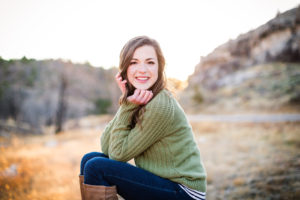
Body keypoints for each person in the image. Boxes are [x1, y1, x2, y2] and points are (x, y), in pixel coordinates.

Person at [79, 36, 207, 200]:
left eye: (150, 62)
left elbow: (118, 155)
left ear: (160, 67)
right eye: (134, 63)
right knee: (89, 159)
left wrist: (127, 106)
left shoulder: (159, 105)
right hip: (165, 183)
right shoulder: (141, 98)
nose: (142, 69)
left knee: (96, 167)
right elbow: (106, 148)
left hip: (185, 192)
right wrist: (127, 99)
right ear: (124, 69)